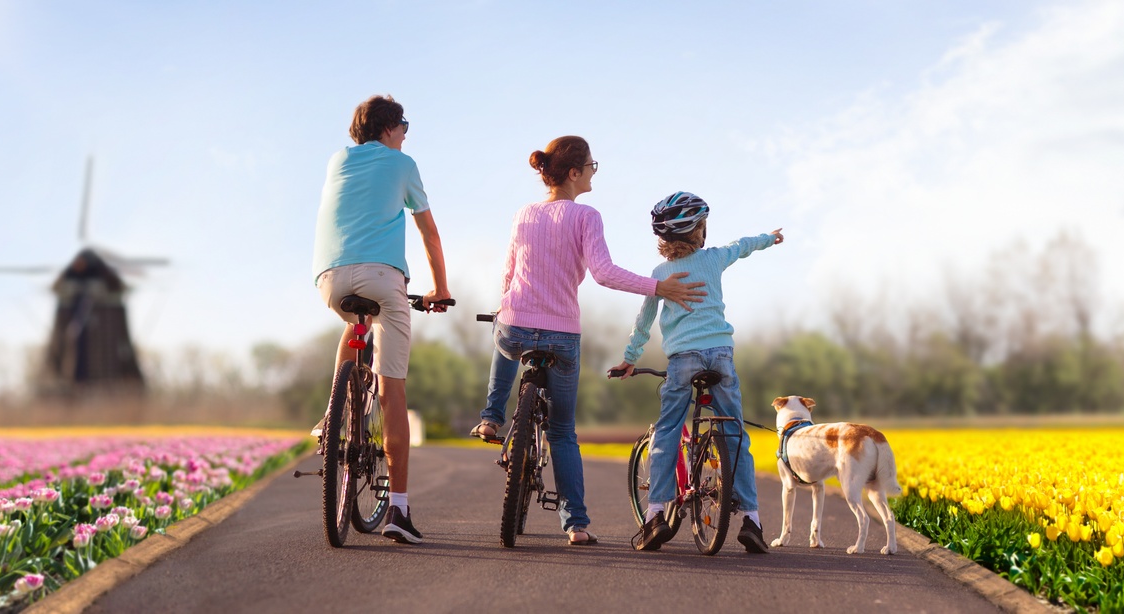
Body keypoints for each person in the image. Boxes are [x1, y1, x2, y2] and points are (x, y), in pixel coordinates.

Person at [472, 136, 708, 546]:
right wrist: (657, 288)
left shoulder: (523, 214)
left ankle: (492, 414)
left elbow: (509, 274)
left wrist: (506, 308)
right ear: (574, 173)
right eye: (592, 166)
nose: (595, 172)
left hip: (515, 327)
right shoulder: (587, 216)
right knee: (562, 431)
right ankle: (576, 525)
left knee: (504, 335)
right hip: (562, 334)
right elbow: (603, 273)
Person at [310, 94, 450, 545]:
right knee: (392, 389)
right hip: (383, 278)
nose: (407, 133)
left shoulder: (337, 160)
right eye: (404, 124)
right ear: (390, 129)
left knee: (354, 324)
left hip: (330, 279)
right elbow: (428, 230)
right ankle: (399, 510)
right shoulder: (402, 162)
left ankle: (333, 414)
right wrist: (440, 289)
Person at [609, 191, 782, 554]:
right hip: (721, 356)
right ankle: (752, 520)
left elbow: (643, 322)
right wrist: (770, 238)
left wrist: (629, 357)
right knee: (734, 434)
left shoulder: (659, 275)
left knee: (669, 430)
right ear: (699, 231)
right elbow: (744, 245)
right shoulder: (715, 258)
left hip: (682, 360)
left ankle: (655, 515)